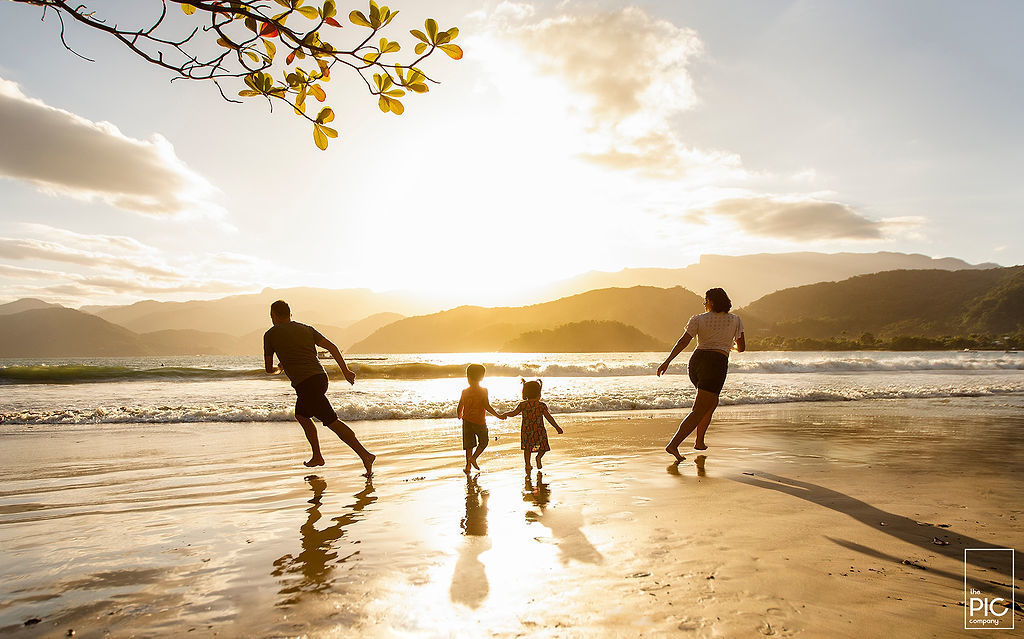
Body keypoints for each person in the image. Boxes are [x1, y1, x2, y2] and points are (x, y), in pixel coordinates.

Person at [264, 300, 375, 474]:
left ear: (274, 316)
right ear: (290, 314)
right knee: (301, 415)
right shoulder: (306, 329)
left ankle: (365, 455)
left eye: (271, 316)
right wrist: (345, 371)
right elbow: (332, 347)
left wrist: (280, 368)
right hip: (320, 378)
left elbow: (269, 369)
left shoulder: (270, 335)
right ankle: (317, 456)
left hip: (306, 384)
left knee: (332, 421)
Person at [656, 287, 745, 462]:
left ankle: (699, 441)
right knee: (699, 409)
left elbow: (684, 341)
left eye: (705, 300)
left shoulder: (698, 319)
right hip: (715, 364)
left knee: (711, 402)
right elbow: (741, 348)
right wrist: (728, 345)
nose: (704, 303)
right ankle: (673, 444)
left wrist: (667, 361)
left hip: (696, 363)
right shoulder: (735, 319)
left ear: (711, 302)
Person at [501, 379, 563, 473]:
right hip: (539, 430)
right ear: (539, 393)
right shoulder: (541, 405)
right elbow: (549, 418)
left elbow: (514, 413)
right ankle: (538, 457)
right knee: (543, 447)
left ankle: (528, 465)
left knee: (527, 449)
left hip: (527, 431)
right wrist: (557, 427)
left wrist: (506, 414)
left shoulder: (523, 405)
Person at [456, 364, 504, 474]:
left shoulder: (464, 391)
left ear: (467, 377)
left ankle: (468, 466)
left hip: (467, 421)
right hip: (480, 422)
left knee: (469, 445)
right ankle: (474, 458)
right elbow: (487, 406)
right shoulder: (483, 391)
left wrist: (459, 415)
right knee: (484, 442)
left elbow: (459, 406)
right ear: (482, 377)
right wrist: (498, 415)